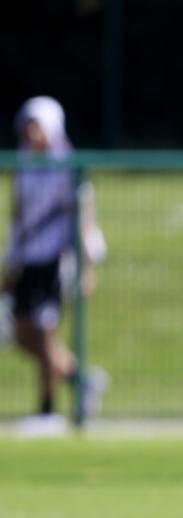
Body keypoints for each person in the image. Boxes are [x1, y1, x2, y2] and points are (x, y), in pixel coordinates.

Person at [1, 96, 107, 435]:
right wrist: (10, 262)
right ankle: (81, 378)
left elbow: (83, 219)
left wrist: (86, 265)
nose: (32, 135)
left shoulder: (67, 166)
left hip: (55, 258)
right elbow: (17, 215)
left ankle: (47, 410)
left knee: (45, 332)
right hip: (29, 258)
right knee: (20, 333)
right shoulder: (24, 165)